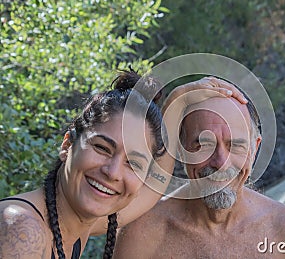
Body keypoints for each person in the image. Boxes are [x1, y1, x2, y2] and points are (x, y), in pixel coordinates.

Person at [0, 71, 245, 259]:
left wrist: (176, 103)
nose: (113, 172)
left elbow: (151, 190)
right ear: (67, 145)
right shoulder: (22, 229)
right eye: (102, 148)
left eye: (134, 164)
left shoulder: (74, 222)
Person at [114, 81, 285, 258]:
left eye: (235, 146)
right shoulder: (144, 232)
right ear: (181, 151)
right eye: (204, 145)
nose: (221, 163)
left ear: (254, 150)